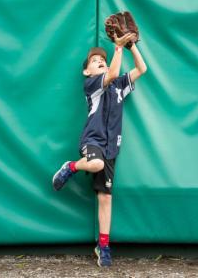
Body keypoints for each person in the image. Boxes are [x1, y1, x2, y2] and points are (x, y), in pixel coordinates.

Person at [52, 32, 147, 267]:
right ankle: (70, 166)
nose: (100, 62)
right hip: (92, 139)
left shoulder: (119, 85)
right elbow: (112, 72)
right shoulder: (92, 84)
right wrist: (117, 47)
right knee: (96, 163)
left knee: (105, 197)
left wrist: (131, 45)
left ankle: (103, 246)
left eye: (102, 60)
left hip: (111, 146)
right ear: (87, 71)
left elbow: (142, 68)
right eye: (95, 61)